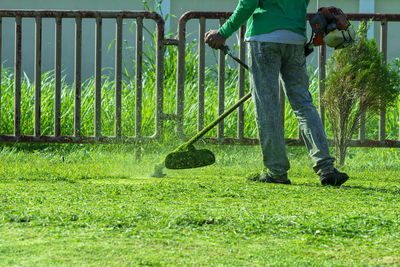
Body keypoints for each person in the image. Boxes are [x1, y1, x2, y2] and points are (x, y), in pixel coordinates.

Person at [204, 0, 349, 186]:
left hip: (263, 38)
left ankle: (277, 171)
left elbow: (248, 4)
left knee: (267, 105)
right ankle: (326, 167)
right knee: (304, 104)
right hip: (295, 39)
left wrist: (223, 33)